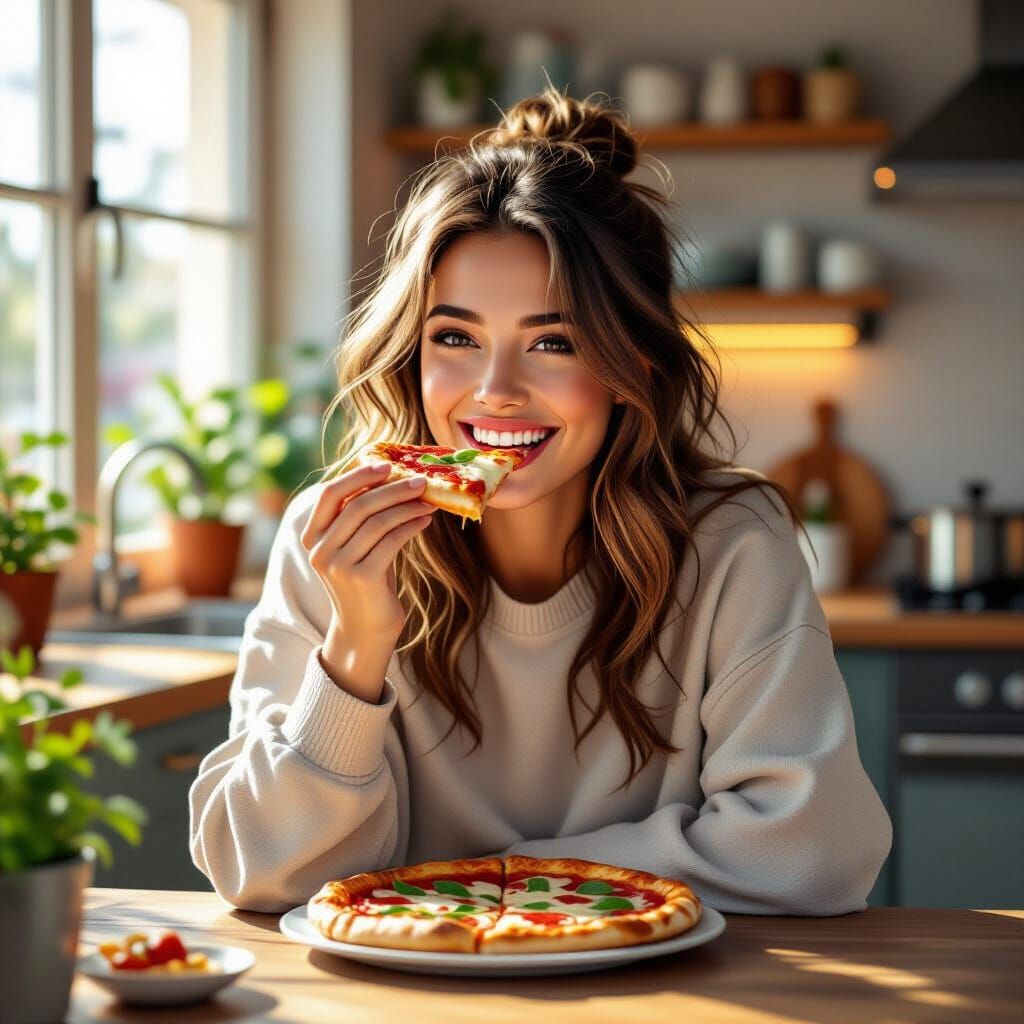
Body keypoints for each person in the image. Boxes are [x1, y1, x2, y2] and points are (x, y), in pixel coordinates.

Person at [189, 87, 892, 915]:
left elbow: (812, 849)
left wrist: (488, 885)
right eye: (454, 337)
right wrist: (356, 649)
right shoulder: (333, 537)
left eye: (552, 342)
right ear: (409, 353)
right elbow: (259, 870)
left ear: (633, 362)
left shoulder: (731, 543)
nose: (496, 392)